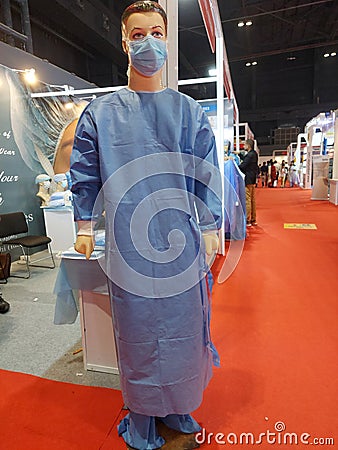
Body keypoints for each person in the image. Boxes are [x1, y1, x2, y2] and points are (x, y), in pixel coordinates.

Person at [70, 2, 222, 449]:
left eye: (156, 32)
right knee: (138, 334)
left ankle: (178, 405)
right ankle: (142, 416)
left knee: (182, 330)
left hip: (180, 243)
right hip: (128, 246)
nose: (148, 43)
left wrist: (211, 224)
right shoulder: (101, 115)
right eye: (138, 35)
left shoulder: (189, 111)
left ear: (168, 40)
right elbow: (85, 173)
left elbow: (205, 172)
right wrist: (82, 223)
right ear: (124, 42)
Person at [239, 138, 258, 227]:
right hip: (252, 179)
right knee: (252, 199)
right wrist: (239, 154)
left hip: (248, 179)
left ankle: (247, 220)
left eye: (244, 145)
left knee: (248, 200)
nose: (243, 146)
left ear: (248, 145)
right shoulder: (253, 154)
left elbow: (243, 166)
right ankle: (253, 219)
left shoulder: (250, 155)